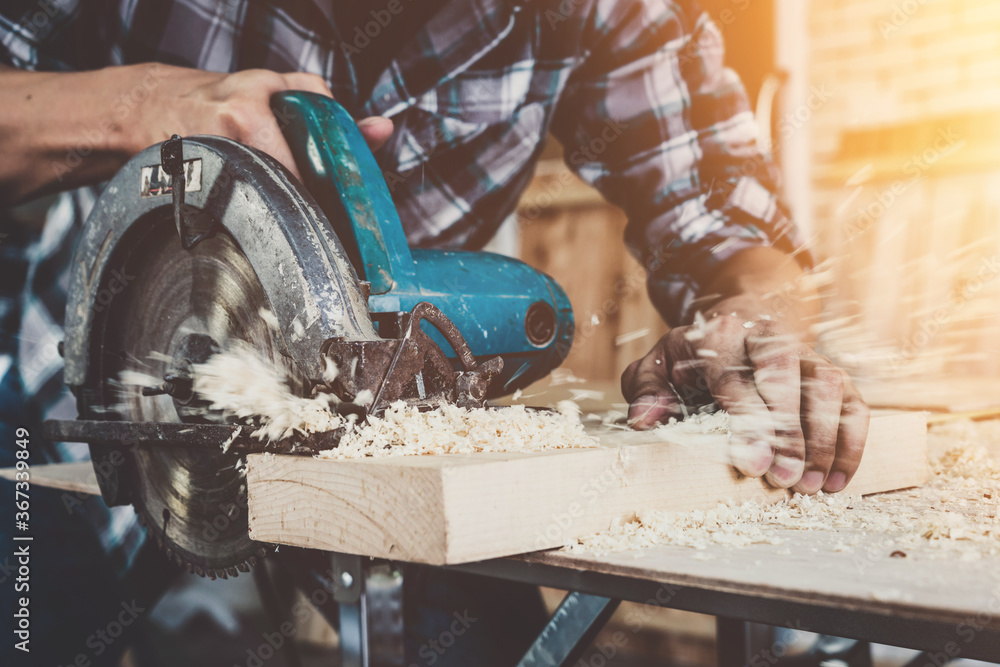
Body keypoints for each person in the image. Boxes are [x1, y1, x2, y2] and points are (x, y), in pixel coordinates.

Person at [0, 0, 869, 664]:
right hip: (111, 393)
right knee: (37, 611)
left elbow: (726, 223)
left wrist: (753, 324)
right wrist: (143, 105)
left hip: (398, 431)